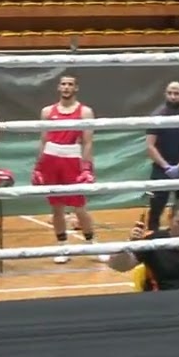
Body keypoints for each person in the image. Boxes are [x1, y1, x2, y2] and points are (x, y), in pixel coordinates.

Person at [32, 75, 105, 263]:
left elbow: (88, 143)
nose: (66, 87)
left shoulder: (85, 112)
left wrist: (87, 168)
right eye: (63, 84)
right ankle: (62, 246)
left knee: (79, 206)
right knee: (56, 207)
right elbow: (43, 140)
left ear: (76, 88)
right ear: (58, 87)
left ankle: (92, 244)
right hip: (50, 159)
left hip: (72, 158)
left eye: (70, 84)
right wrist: (38, 167)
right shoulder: (47, 111)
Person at [108, 200, 179, 290]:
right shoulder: (153, 239)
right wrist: (129, 244)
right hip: (157, 299)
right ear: (170, 218)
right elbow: (118, 266)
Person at [144, 81, 179, 231]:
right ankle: (152, 240)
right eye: (170, 93)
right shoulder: (157, 117)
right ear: (165, 94)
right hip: (161, 169)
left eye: (176, 93)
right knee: (155, 209)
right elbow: (150, 146)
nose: (172, 96)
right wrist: (166, 166)